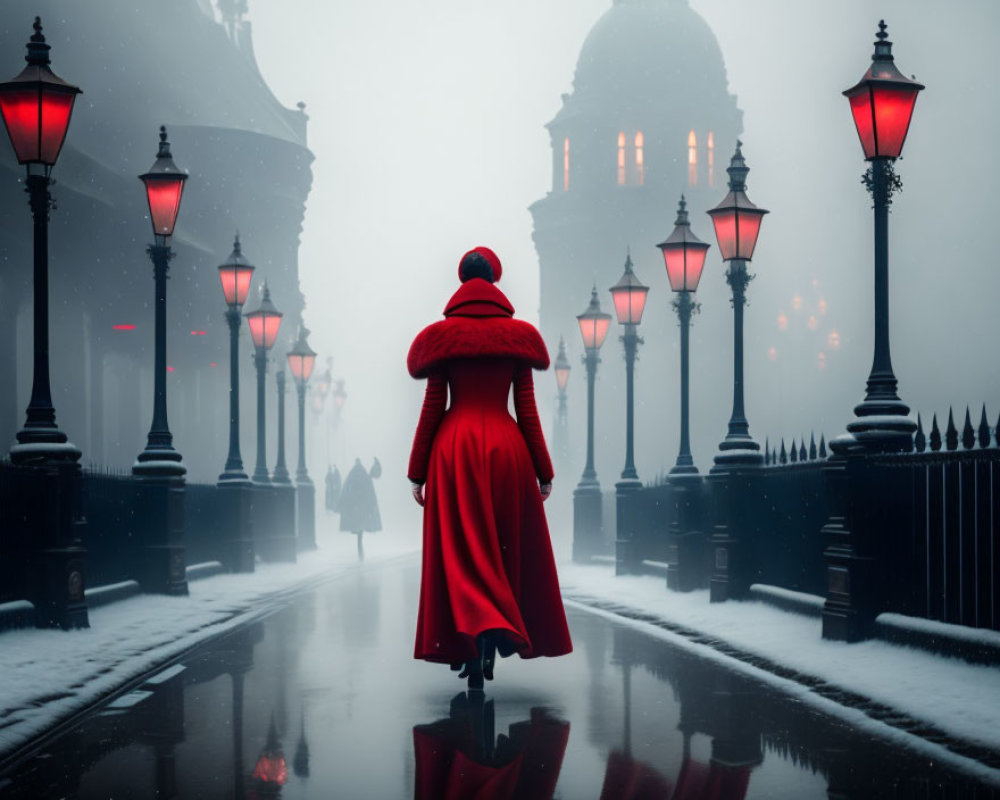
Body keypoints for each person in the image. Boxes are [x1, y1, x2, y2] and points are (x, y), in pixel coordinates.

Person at [407, 246, 572, 692]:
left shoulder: (443, 338)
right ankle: (492, 637)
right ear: (495, 281)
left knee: (462, 555)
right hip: (505, 446)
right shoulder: (516, 337)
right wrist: (544, 468)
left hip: (453, 448)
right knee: (500, 549)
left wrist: (417, 469)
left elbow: (432, 404)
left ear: (462, 282)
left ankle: (472, 638)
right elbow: (527, 409)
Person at [339, 457, 381, 561]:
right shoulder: (364, 474)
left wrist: (343, 504)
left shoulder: (352, 475)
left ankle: (359, 552)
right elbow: (369, 488)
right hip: (361, 508)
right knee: (360, 532)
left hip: (354, 508)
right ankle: (360, 552)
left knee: (357, 529)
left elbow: (345, 491)